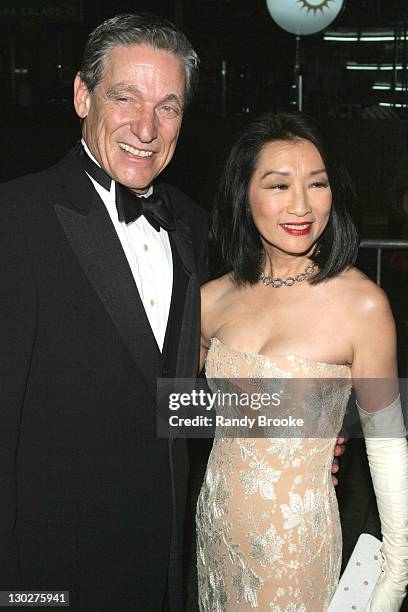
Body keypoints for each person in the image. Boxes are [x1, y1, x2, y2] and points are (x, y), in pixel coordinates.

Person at [0, 12, 208, 612]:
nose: (146, 126)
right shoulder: (17, 220)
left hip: (164, 568)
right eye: (126, 97)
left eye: (167, 106)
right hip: (53, 578)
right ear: (81, 95)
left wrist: (302, 422)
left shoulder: (189, 223)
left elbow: (172, 397)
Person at [196, 112, 408, 611]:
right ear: (243, 196)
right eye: (278, 185)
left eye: (317, 184)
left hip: (296, 546)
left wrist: (395, 579)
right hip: (217, 533)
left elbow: (387, 447)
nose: (301, 206)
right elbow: (181, 412)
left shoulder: (362, 305)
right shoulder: (209, 301)